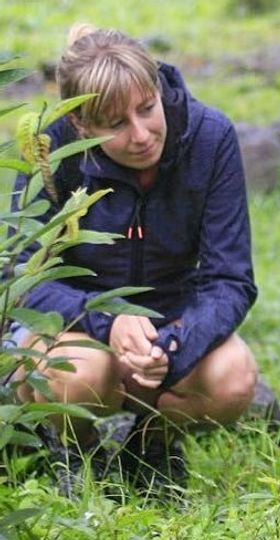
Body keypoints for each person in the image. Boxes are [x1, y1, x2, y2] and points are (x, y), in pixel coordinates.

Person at [9, 23, 259, 497]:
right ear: (82, 126)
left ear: (158, 90)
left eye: (147, 109)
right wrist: (106, 320)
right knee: (74, 375)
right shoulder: (48, 151)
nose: (141, 134)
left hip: (172, 320)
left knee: (233, 378)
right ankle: (76, 453)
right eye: (116, 124)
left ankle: (150, 445)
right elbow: (22, 275)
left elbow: (232, 278)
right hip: (74, 327)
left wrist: (174, 344)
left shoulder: (210, 137)